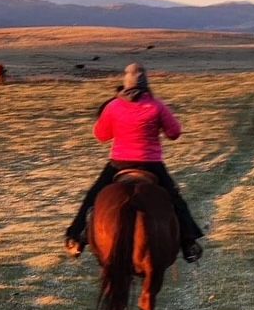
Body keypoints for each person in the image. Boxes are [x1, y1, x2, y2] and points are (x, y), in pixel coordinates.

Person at [65, 63, 204, 262]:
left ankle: (76, 236)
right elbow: (175, 133)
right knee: (175, 199)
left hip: (119, 163)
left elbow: (101, 135)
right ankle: (188, 242)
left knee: (92, 196)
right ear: (146, 83)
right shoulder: (157, 106)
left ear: (125, 83)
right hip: (151, 164)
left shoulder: (113, 106)